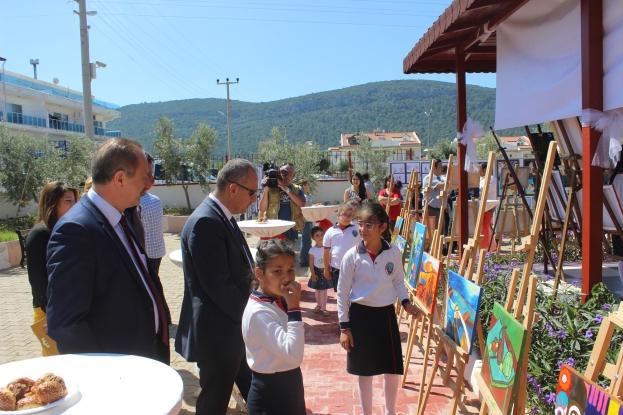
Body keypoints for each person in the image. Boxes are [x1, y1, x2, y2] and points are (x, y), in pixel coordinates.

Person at [46, 138, 170, 364]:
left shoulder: (124, 215)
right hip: (118, 373)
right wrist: (105, 374)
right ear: (120, 178)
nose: (149, 184)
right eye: (144, 176)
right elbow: (65, 324)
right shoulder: (76, 230)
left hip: (144, 357)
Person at [175, 158, 258, 415]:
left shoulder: (221, 216)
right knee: (214, 401)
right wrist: (254, 316)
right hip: (219, 333)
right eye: (252, 192)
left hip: (231, 328)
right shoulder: (206, 222)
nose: (255, 199)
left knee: (252, 387)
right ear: (233, 188)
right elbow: (219, 286)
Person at [337, 202, 417, 415]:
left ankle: (390, 411)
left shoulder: (393, 253)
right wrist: (344, 327)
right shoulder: (351, 256)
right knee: (365, 370)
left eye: (369, 225)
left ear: (382, 227)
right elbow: (342, 293)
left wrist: (406, 303)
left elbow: (399, 281)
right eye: (360, 224)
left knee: (391, 368)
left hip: (385, 316)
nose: (362, 229)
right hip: (360, 317)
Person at [242, 240, 306, 415]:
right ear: (259, 273)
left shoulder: (275, 300)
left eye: (290, 270)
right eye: (277, 271)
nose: (286, 277)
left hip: (288, 386)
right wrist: (294, 309)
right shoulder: (259, 312)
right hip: (271, 395)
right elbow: (293, 354)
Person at [25, 182, 78, 356]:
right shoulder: (40, 234)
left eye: (75, 201)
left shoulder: (65, 228)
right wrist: (51, 313)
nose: (74, 206)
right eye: (68, 201)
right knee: (55, 363)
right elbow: (38, 279)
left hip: (68, 309)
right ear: (52, 203)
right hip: (48, 312)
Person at [258, 163, 306, 244]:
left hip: (291, 231)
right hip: (273, 231)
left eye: (289, 173)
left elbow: (302, 204)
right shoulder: (271, 188)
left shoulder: (297, 189)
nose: (285, 175)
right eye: (283, 172)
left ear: (294, 175)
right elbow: (262, 209)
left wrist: (285, 189)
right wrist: (266, 190)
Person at [323, 201, 360, 293]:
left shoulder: (356, 229)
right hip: (337, 268)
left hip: (354, 267)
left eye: (350, 215)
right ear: (338, 215)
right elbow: (326, 252)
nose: (347, 217)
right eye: (344, 214)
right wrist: (326, 269)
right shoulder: (330, 232)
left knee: (354, 293)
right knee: (340, 293)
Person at [139, 153, 166, 276]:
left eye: (151, 174)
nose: (152, 179)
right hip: (158, 251)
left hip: (147, 254)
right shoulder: (156, 199)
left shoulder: (138, 204)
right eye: (147, 174)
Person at [307, 226, 331, 314]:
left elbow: (329, 259)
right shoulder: (312, 250)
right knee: (317, 290)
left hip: (325, 271)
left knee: (324, 290)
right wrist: (313, 274)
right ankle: (318, 305)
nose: (320, 237)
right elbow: (311, 263)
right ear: (313, 238)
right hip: (316, 272)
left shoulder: (327, 248)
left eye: (322, 235)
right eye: (317, 235)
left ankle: (324, 308)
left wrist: (328, 270)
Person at [479, 162, 498, 252]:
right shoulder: (483, 179)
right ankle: (490, 245)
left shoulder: (491, 179)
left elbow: (483, 190)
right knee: (485, 226)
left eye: (480, 169)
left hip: (488, 206)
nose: (479, 171)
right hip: (484, 205)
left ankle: (487, 247)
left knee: (485, 226)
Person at [423, 160, 445, 232]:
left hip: (439, 209)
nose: (442, 169)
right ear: (434, 168)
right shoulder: (429, 178)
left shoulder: (440, 178)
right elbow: (441, 185)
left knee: (440, 233)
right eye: (440, 167)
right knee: (434, 234)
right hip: (431, 209)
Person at [298, 180, 313, 267]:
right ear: (303, 186)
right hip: (305, 220)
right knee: (305, 241)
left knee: (308, 240)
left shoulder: (308, 195)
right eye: (307, 185)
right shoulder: (302, 196)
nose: (308, 186)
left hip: (309, 219)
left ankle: (306, 260)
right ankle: (303, 261)